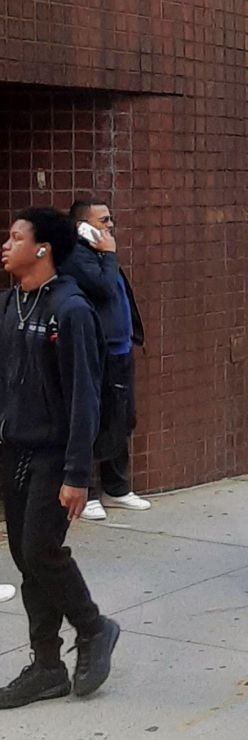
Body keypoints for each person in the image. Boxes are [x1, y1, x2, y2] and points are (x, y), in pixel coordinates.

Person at [0, 207, 120, 708]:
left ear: (43, 249)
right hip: (15, 449)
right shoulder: (10, 304)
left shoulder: (70, 310)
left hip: (54, 453)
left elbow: (84, 396)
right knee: (28, 558)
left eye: (15, 236)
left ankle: (94, 627)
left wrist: (77, 473)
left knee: (42, 550)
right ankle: (47, 665)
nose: (6, 244)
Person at [63, 198, 148, 520]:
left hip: (120, 348)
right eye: (103, 221)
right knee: (94, 419)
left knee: (120, 418)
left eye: (110, 220)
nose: (110, 226)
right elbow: (101, 289)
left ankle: (118, 486)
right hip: (98, 351)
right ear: (81, 226)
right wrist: (108, 253)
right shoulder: (77, 255)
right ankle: (89, 489)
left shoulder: (101, 254)